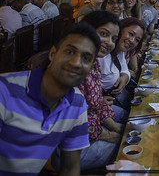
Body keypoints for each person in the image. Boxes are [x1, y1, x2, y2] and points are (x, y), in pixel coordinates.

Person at [0, 22, 101, 175]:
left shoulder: (77, 103)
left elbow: (70, 168)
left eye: (86, 58)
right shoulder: (5, 91)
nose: (76, 63)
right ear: (52, 54)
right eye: (69, 52)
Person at [61, 11, 123, 170]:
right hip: (68, 148)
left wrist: (116, 128)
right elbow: (73, 124)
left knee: (129, 130)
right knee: (126, 150)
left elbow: (97, 105)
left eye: (114, 39)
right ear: (88, 30)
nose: (109, 42)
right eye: (104, 34)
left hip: (90, 133)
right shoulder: (73, 68)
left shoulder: (93, 63)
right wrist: (110, 135)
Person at [117, 17, 145, 83]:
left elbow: (125, 70)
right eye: (131, 34)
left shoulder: (120, 53)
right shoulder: (105, 52)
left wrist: (126, 75)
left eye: (137, 40)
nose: (132, 40)